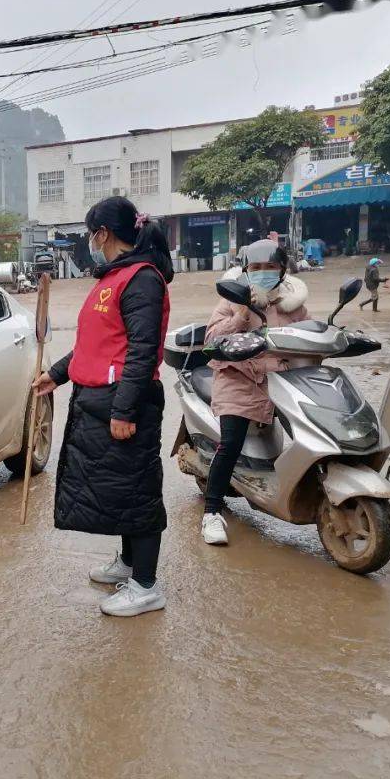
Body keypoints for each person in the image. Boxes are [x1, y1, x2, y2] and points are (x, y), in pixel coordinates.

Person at [32, 196, 173, 617]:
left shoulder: (142, 280)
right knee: (121, 492)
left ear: (103, 234)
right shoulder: (113, 276)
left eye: (89, 235)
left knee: (139, 494)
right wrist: (57, 374)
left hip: (122, 403)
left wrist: (125, 411)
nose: (89, 242)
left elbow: (143, 351)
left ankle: (146, 586)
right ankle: (130, 564)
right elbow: (95, 343)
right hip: (98, 402)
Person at [200, 239, 310, 545]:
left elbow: (310, 335)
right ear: (246, 271)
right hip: (237, 377)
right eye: (256, 268)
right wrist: (242, 315)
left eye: (270, 267)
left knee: (310, 430)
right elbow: (211, 338)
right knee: (231, 442)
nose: (262, 273)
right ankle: (211, 512)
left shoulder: (294, 304)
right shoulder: (232, 299)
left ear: (282, 270)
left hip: (281, 380)